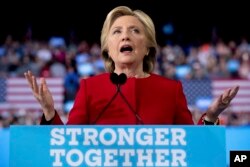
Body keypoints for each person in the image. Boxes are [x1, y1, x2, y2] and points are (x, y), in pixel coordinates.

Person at [24, 6, 239, 125]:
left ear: (147, 47)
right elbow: (68, 147)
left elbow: (189, 148)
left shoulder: (170, 90)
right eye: (117, 31)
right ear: (108, 47)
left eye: (135, 31)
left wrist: (210, 117)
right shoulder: (90, 88)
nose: (125, 35)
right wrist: (50, 111)